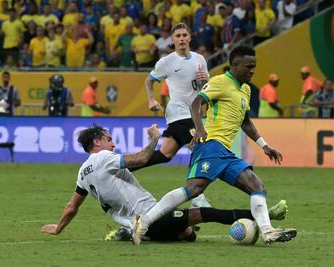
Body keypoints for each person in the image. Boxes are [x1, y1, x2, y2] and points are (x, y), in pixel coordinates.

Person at [132, 45, 297, 245]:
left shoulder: (244, 89)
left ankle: (267, 231)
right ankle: (145, 221)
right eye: (248, 66)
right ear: (235, 65)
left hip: (226, 151)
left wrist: (264, 145)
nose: (252, 70)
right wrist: (199, 128)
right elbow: (195, 103)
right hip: (211, 145)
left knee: (257, 186)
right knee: (194, 189)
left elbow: (245, 122)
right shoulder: (220, 82)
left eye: (254, 66)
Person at [41, 124, 289, 243]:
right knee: (203, 213)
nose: (113, 144)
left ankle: (126, 232)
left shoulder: (82, 173)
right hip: (149, 217)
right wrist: (154, 139)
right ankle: (266, 215)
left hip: (140, 223)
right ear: (97, 142)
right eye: (108, 139)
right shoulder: (104, 158)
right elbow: (142, 158)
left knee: (189, 235)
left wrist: (58, 228)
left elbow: (72, 206)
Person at [134, 23, 211, 208]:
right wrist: (151, 100)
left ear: (190, 37)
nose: (182, 38)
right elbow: (148, 80)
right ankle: (197, 196)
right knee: (201, 149)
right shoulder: (167, 62)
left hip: (193, 114)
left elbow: (204, 88)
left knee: (165, 154)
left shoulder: (200, 59)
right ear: (173, 40)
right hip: (178, 113)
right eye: (178, 36)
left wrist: (204, 81)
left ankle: (126, 166)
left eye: (185, 35)